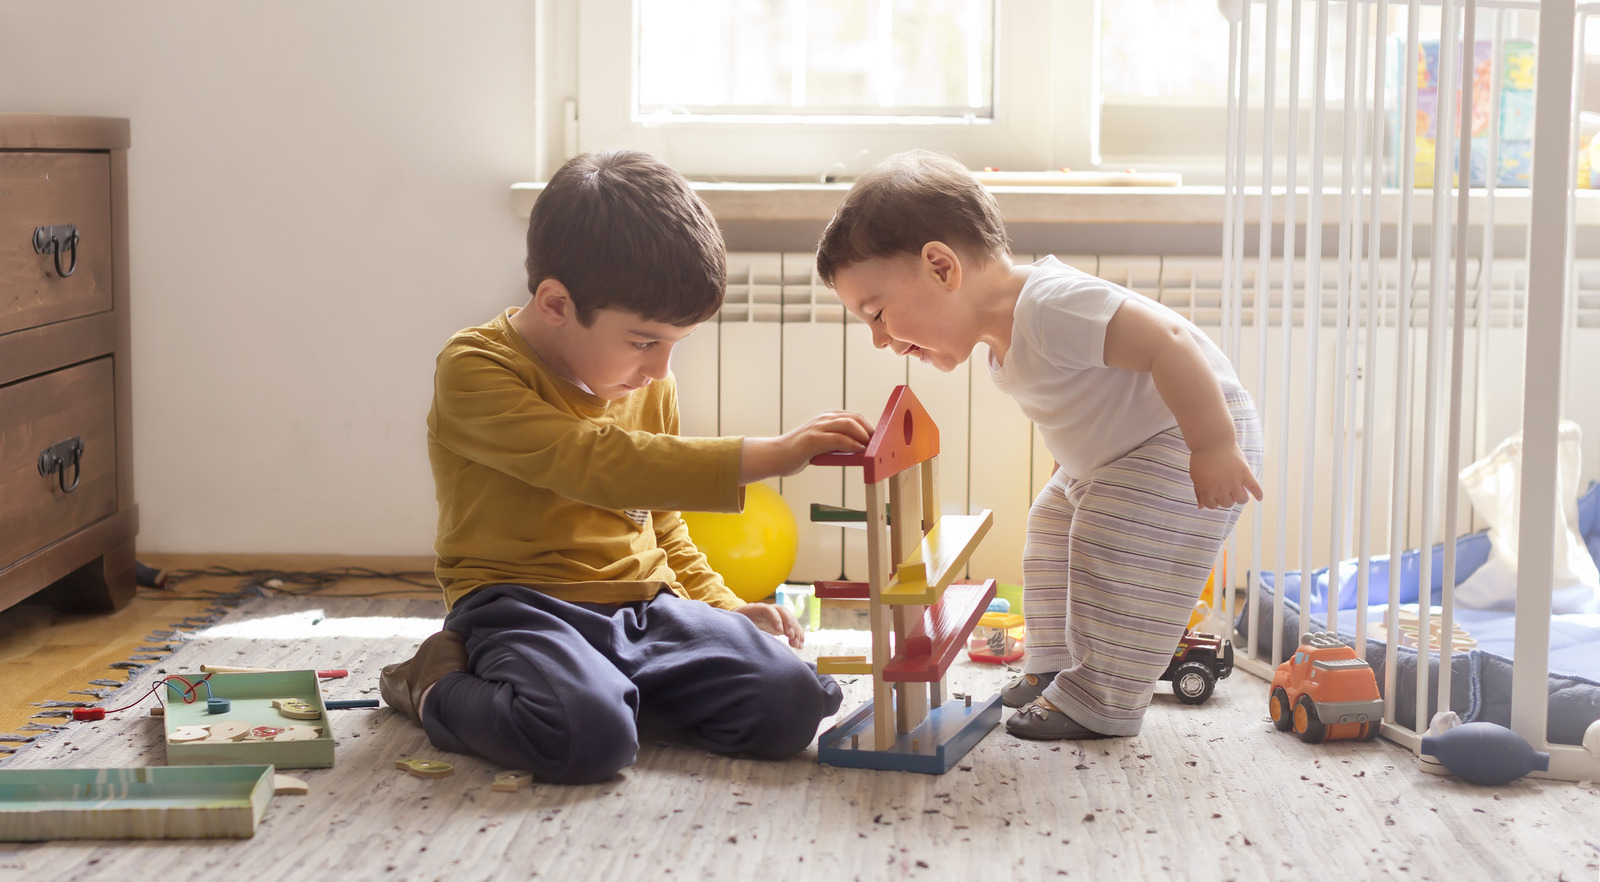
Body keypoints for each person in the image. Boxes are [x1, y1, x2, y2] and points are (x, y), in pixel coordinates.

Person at [382, 150, 873, 783]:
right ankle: (436, 681)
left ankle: (612, 692)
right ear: (556, 303)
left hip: (643, 605)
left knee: (793, 702)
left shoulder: (645, 380)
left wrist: (718, 607)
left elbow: (658, 518)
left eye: (674, 345)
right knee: (586, 740)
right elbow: (596, 464)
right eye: (645, 341)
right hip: (519, 604)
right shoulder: (475, 369)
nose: (661, 368)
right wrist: (771, 454)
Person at [815, 150, 1264, 741]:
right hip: (1119, 453)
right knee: (1050, 528)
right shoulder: (1004, 340)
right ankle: (1055, 665)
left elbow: (1169, 342)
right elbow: (1083, 405)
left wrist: (1212, 444)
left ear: (941, 268)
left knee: (1105, 542)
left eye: (877, 314)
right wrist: (1068, 471)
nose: (880, 340)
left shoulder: (1050, 304)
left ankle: (1103, 698)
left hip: (1186, 432)